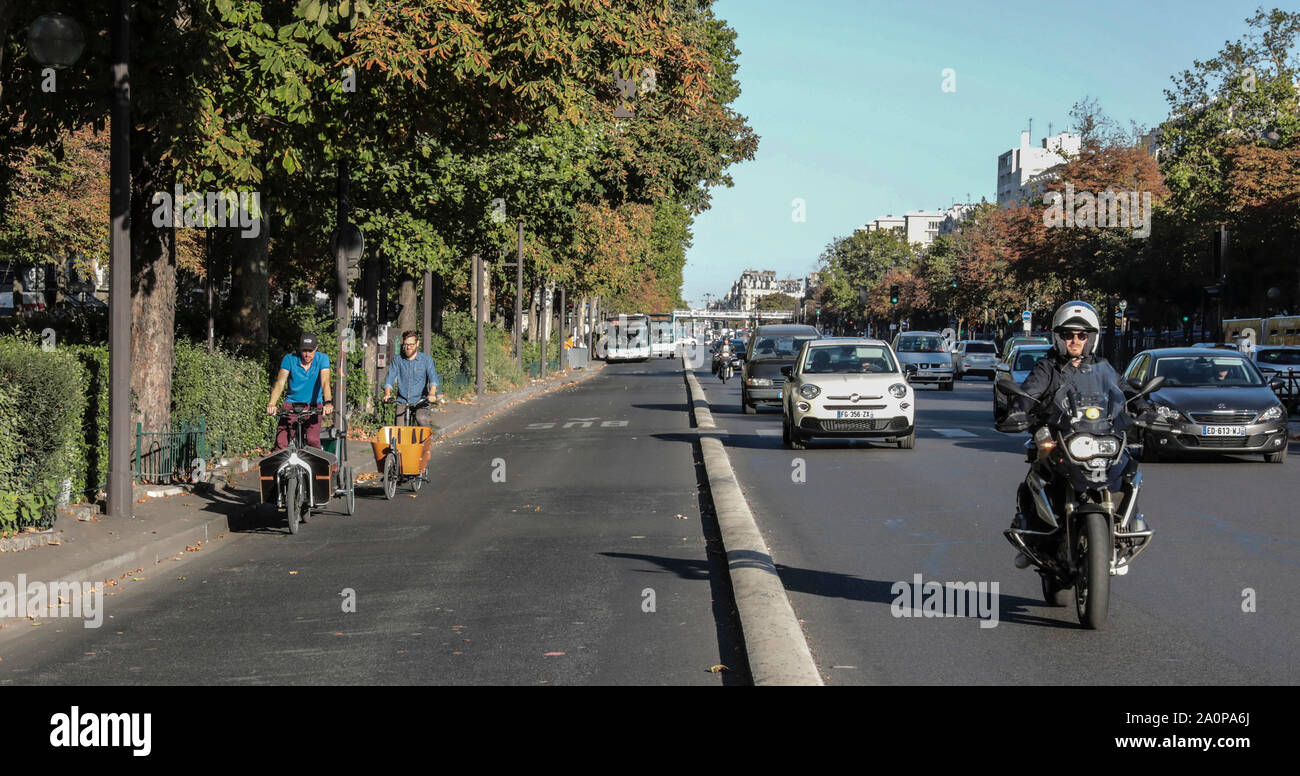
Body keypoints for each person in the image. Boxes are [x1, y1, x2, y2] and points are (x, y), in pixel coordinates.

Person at [1002, 301, 1153, 567]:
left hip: (1098, 434)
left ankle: (1125, 530)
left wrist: (1144, 406)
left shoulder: (1104, 368)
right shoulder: (1046, 367)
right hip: (1060, 435)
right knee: (1039, 471)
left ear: (1091, 338)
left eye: (1081, 335)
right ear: (1058, 337)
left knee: (1128, 468)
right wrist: (1019, 409)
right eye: (1068, 335)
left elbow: (1124, 389)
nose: (1074, 340)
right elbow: (1031, 391)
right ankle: (1032, 534)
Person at [267, 333, 332, 450]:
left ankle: (317, 467)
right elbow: (280, 383)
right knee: (281, 443)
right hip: (292, 405)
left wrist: (328, 402)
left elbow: (325, 382)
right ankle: (280, 467)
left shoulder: (322, 359)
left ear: (316, 348)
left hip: (313, 407)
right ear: (299, 349)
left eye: (310, 351)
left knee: (312, 440)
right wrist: (272, 404)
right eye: (304, 350)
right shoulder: (289, 359)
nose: (307, 354)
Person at [383, 330, 440, 427]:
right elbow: (390, 378)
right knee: (399, 428)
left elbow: (433, 378)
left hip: (421, 400)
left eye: (411, 344)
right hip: (402, 400)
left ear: (417, 343)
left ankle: (426, 441)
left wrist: (432, 393)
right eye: (406, 345)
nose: (408, 347)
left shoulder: (426, 359)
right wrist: (387, 394)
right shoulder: (398, 360)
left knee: (421, 418)